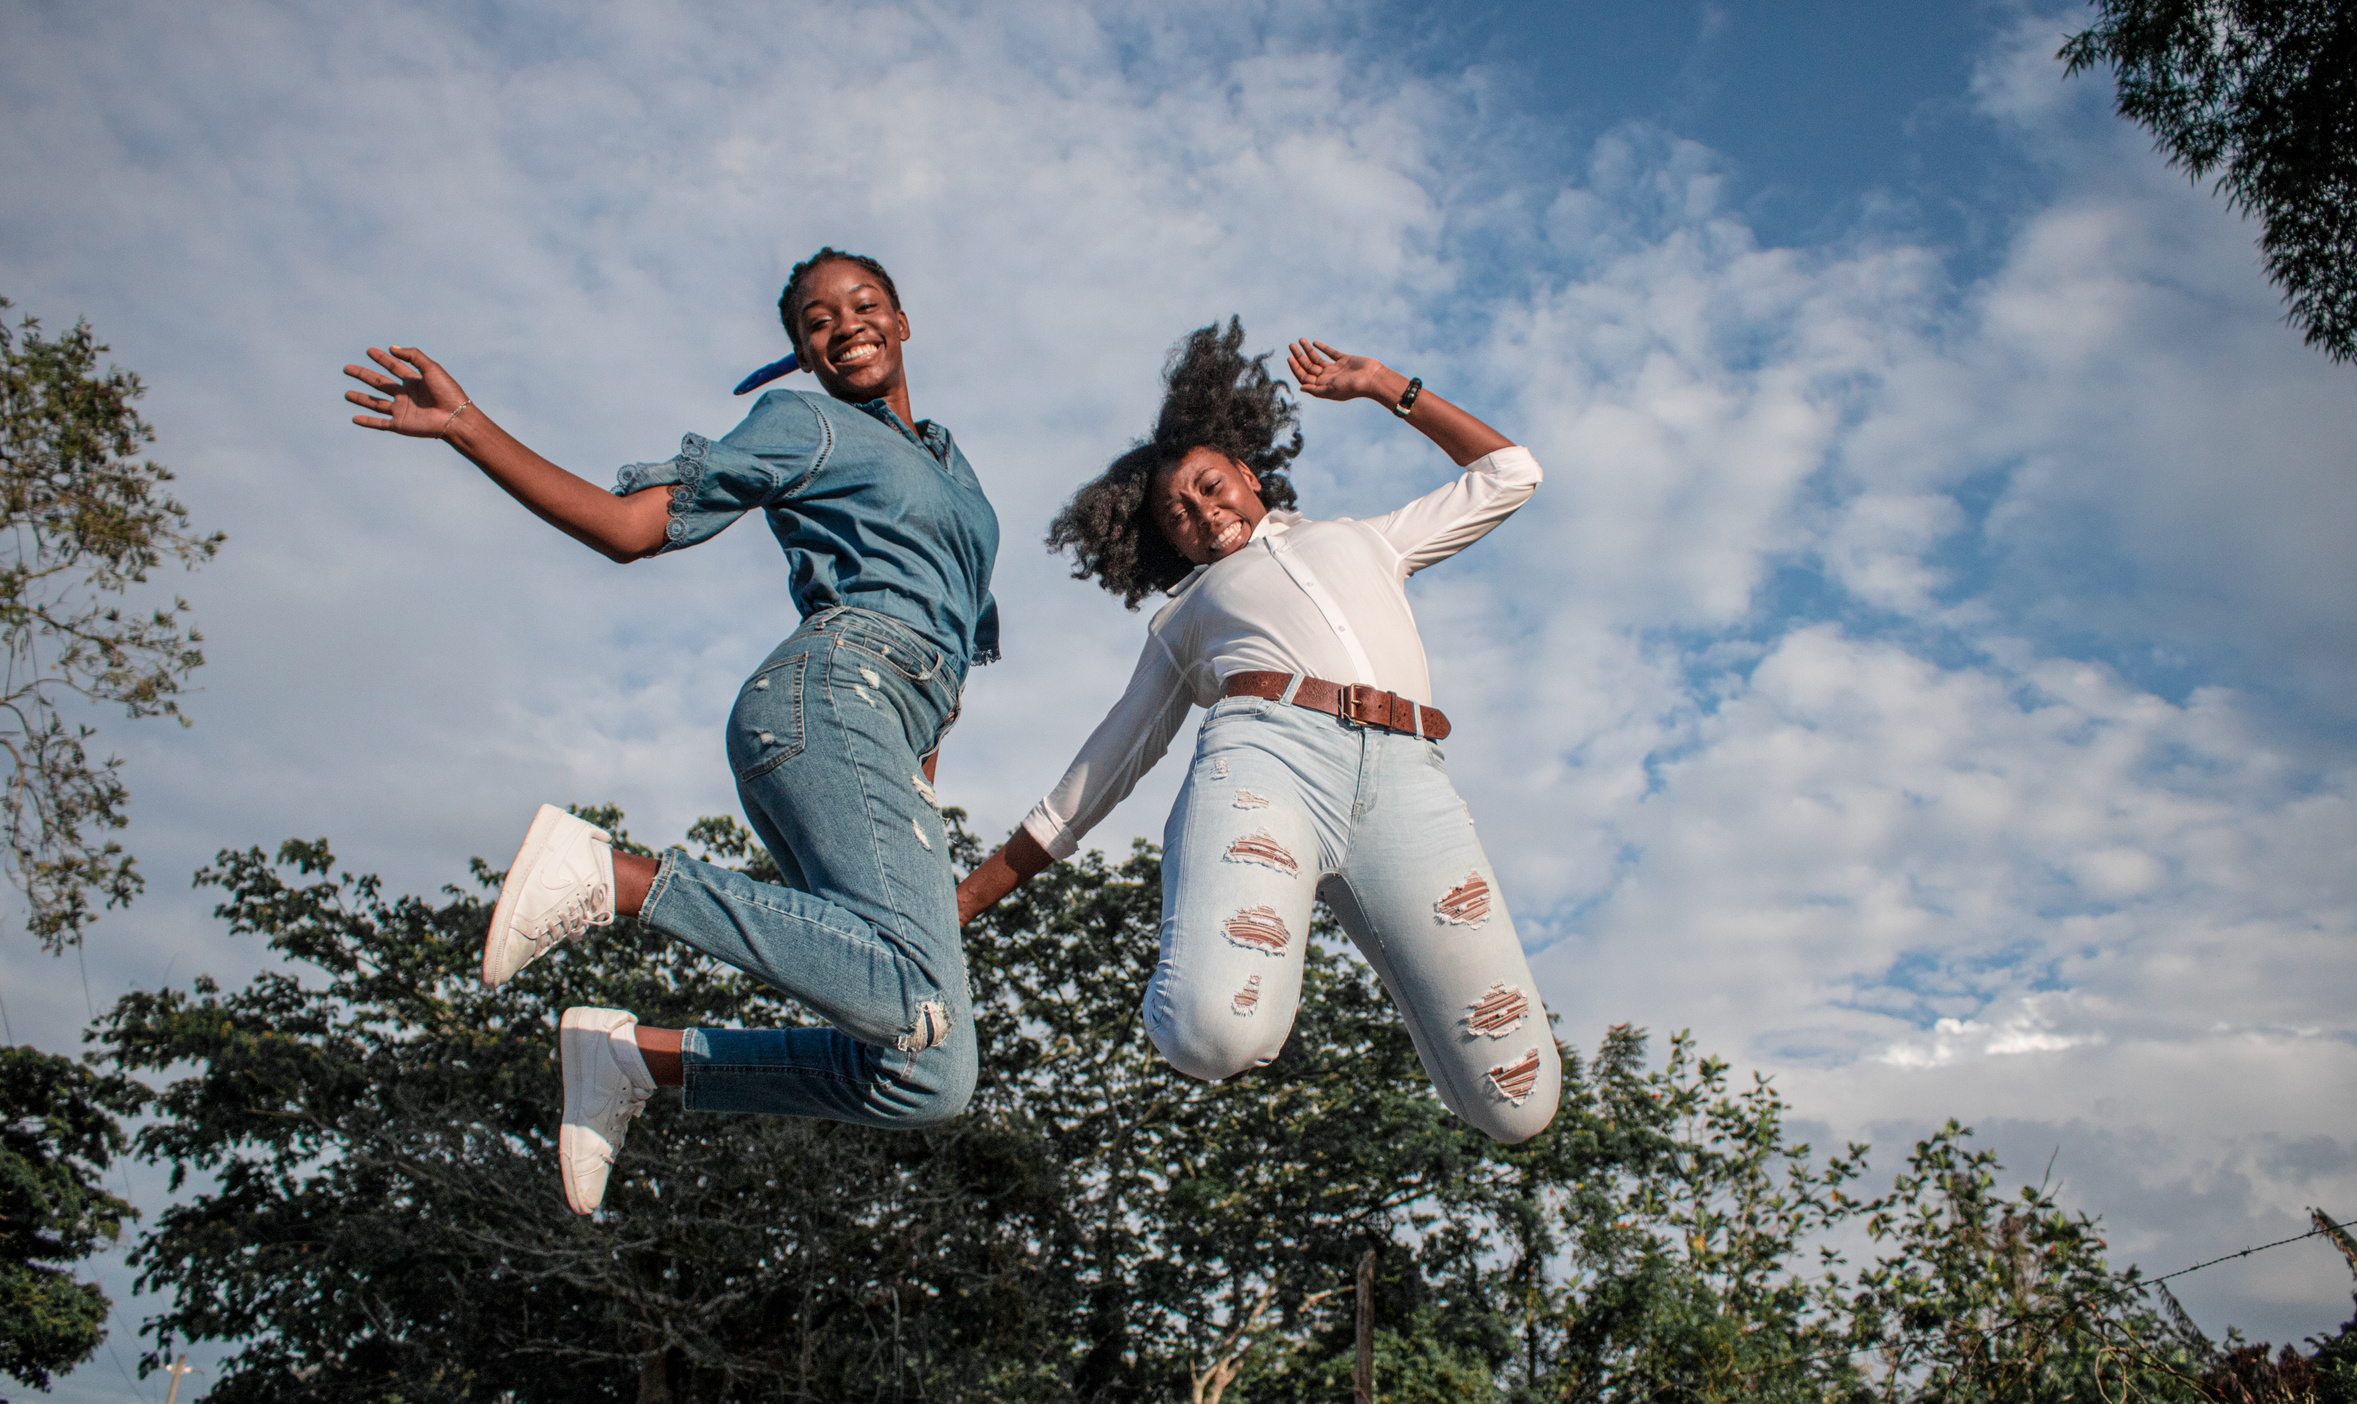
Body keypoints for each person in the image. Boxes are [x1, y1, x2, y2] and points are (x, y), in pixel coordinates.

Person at [341, 249, 1001, 1213]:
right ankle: (614, 877)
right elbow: (626, 528)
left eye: (863, 305)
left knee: (930, 1074)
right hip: (832, 693)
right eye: (816, 321)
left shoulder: (953, 465)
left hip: (892, 735)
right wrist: (466, 428)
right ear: (800, 355)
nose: (844, 324)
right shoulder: (804, 422)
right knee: (909, 994)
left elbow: (952, 640)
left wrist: (919, 798)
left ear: (903, 322)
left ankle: (637, 1063)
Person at [956, 320, 1559, 1142]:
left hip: (1411, 784)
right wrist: (959, 903)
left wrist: (1387, 386)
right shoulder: (1185, 615)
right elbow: (1092, 781)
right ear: (1165, 544)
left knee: (1518, 1105)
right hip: (1268, 761)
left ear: (1246, 473)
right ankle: (1204, 948)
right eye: (1177, 515)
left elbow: (1509, 473)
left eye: (1209, 486)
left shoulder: (1364, 540)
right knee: (1216, 1033)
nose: (1202, 512)